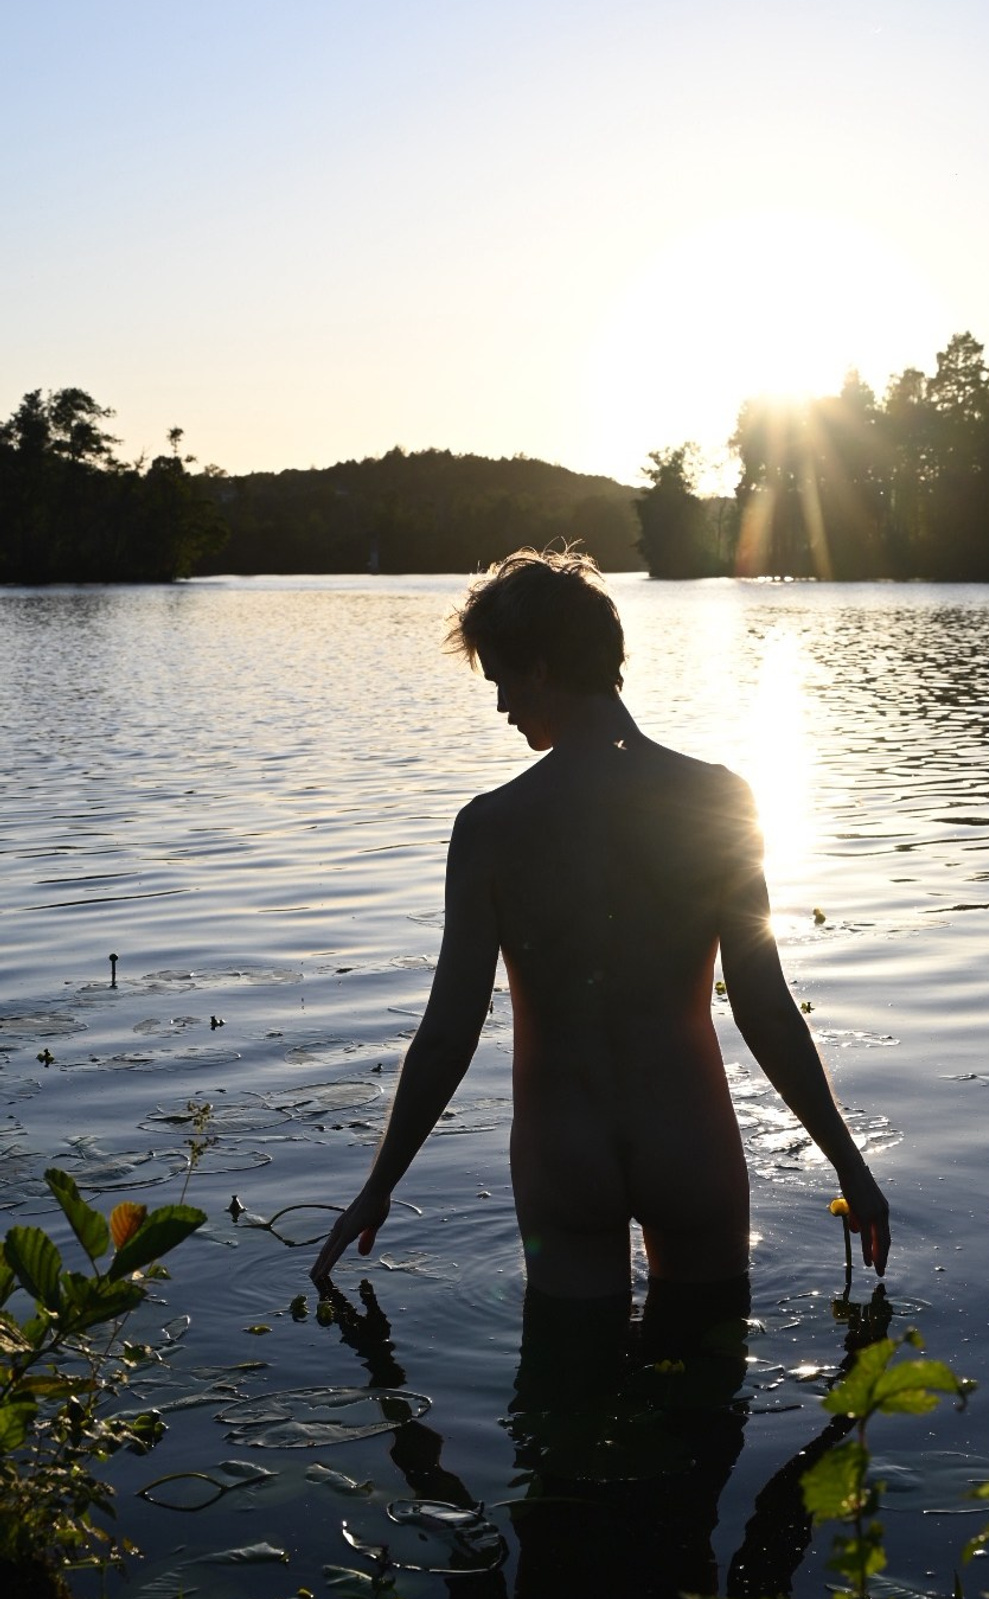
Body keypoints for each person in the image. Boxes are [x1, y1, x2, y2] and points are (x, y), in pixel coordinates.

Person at [309, 549, 890, 1294]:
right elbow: (765, 1010)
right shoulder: (718, 800)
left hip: (564, 1154)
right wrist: (850, 1165)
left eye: (505, 681)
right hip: (688, 1142)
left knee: (566, 1391)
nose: (501, 707)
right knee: (707, 1391)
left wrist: (379, 1184)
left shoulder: (490, 828)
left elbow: (450, 1033)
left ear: (544, 667)